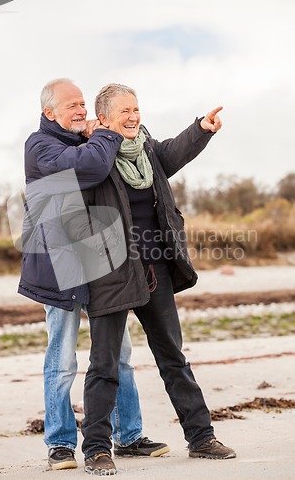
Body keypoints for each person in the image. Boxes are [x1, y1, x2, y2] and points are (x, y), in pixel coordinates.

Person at [62, 83, 236, 475]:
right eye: (124, 111)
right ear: (103, 118)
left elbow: (173, 151)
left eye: (136, 109)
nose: (133, 116)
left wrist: (202, 128)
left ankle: (201, 436)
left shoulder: (147, 150)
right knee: (104, 364)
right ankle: (96, 449)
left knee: (173, 357)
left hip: (154, 269)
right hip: (110, 274)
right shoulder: (93, 158)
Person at [18, 78, 169, 470]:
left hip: (96, 263)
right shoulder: (41, 146)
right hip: (59, 269)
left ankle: (130, 434)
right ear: (50, 112)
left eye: (83, 102)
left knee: (119, 354)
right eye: (72, 105)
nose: (81, 109)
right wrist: (103, 132)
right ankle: (61, 444)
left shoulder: (82, 140)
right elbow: (91, 167)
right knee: (62, 357)